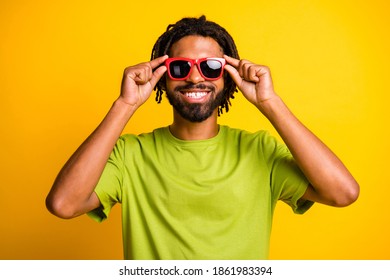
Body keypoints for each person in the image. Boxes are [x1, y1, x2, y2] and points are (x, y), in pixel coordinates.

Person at [46, 15, 359, 259]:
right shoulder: (130, 155)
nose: (195, 77)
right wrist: (125, 105)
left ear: (227, 77)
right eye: (180, 67)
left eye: (210, 67)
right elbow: (63, 204)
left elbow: (342, 193)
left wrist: (270, 103)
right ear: (163, 78)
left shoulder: (259, 151)